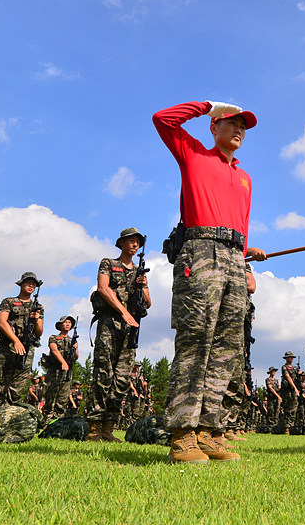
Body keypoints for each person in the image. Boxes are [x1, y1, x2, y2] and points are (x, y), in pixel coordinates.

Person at [154, 99, 267, 464]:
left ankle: (208, 431)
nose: (239, 131)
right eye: (231, 123)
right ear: (213, 127)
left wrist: (247, 259)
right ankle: (182, 434)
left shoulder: (245, 177)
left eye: (243, 127)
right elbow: (163, 119)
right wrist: (207, 105)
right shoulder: (194, 155)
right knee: (196, 341)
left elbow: (241, 222)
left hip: (234, 257)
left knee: (227, 348)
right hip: (200, 252)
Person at [86, 227, 151, 442]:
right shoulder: (108, 263)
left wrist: (142, 288)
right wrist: (123, 312)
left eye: (137, 242)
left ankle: (108, 428)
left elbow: (149, 303)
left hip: (130, 328)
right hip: (109, 324)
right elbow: (103, 289)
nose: (134, 245)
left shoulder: (140, 272)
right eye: (130, 241)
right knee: (103, 374)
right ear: (121, 243)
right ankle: (94, 427)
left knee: (122, 379)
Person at [0, 272, 44, 409]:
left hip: (27, 348)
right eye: (28, 282)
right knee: (0, 381)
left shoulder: (38, 307)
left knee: (19, 382)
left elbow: (39, 332)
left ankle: (8, 413)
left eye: (33, 283)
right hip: (8, 345)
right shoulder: (8, 301)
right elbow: (1, 322)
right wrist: (15, 340)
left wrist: (36, 320)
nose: (31, 285)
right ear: (21, 284)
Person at [43, 316, 78, 420]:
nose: (67, 324)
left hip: (67, 372)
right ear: (60, 325)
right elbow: (54, 350)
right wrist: (63, 362)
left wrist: (75, 349)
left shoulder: (72, 340)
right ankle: (47, 420)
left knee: (63, 398)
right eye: (65, 322)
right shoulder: (53, 337)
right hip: (55, 370)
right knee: (50, 395)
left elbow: (76, 357)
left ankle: (58, 421)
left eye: (69, 323)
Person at [277, 351, 300, 434]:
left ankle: (292, 426)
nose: (291, 359)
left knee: (294, 408)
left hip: (294, 390)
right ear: (286, 358)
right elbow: (288, 377)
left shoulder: (295, 368)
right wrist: (295, 387)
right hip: (287, 390)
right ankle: (286, 427)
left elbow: (298, 379)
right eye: (290, 357)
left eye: (292, 357)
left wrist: (299, 374)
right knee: (287, 408)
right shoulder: (284, 367)